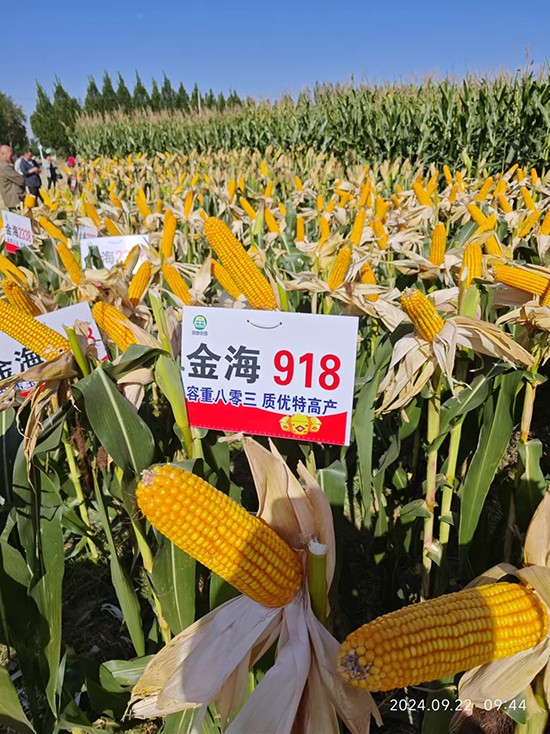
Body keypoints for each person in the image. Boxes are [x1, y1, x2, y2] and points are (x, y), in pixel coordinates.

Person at [0, 144, 25, 210]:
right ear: (2, 154)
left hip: (12, 200)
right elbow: (21, 180)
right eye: (11, 155)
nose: (13, 158)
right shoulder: (5, 167)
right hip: (15, 201)